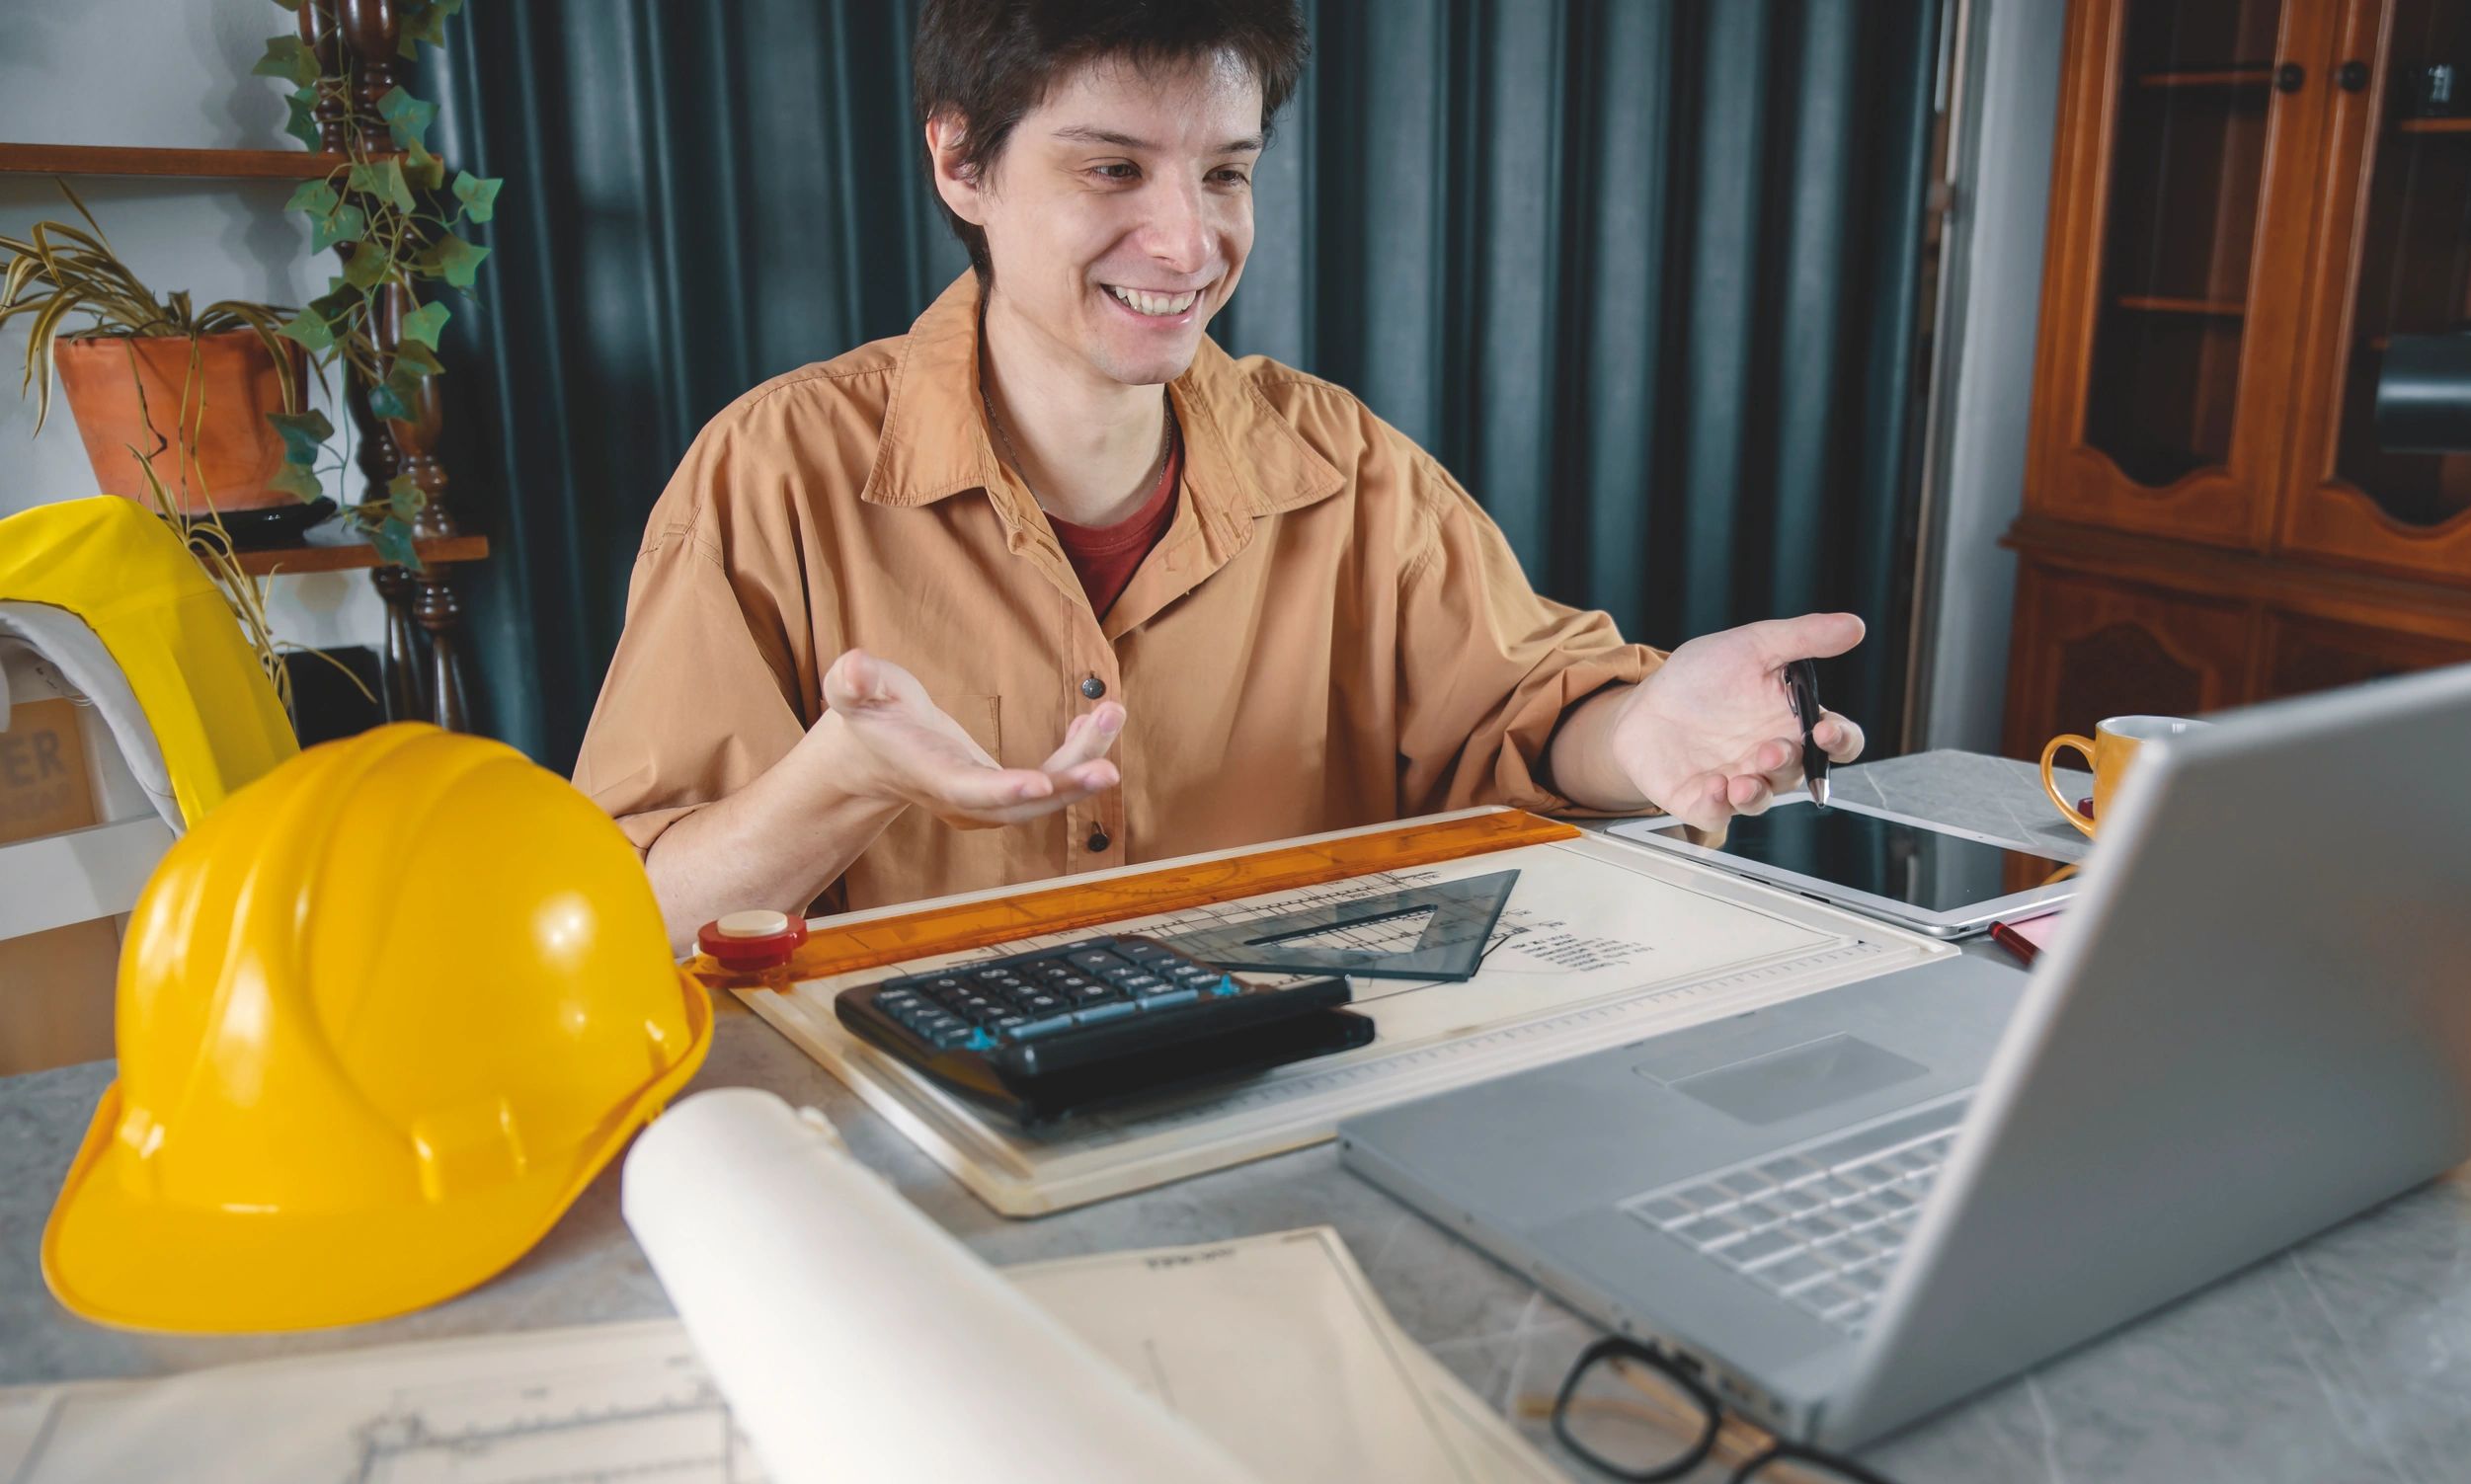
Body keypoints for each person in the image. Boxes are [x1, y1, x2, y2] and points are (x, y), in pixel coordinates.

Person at [574, 0, 1866, 948]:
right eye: (1112, 168)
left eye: (1226, 173)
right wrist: (839, 780)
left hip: (1287, 1122)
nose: (1189, 241)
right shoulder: (770, 472)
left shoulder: (1345, 465)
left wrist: (1643, 728)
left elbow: (1526, 715)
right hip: (897, 1181)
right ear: (962, 162)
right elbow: (633, 921)